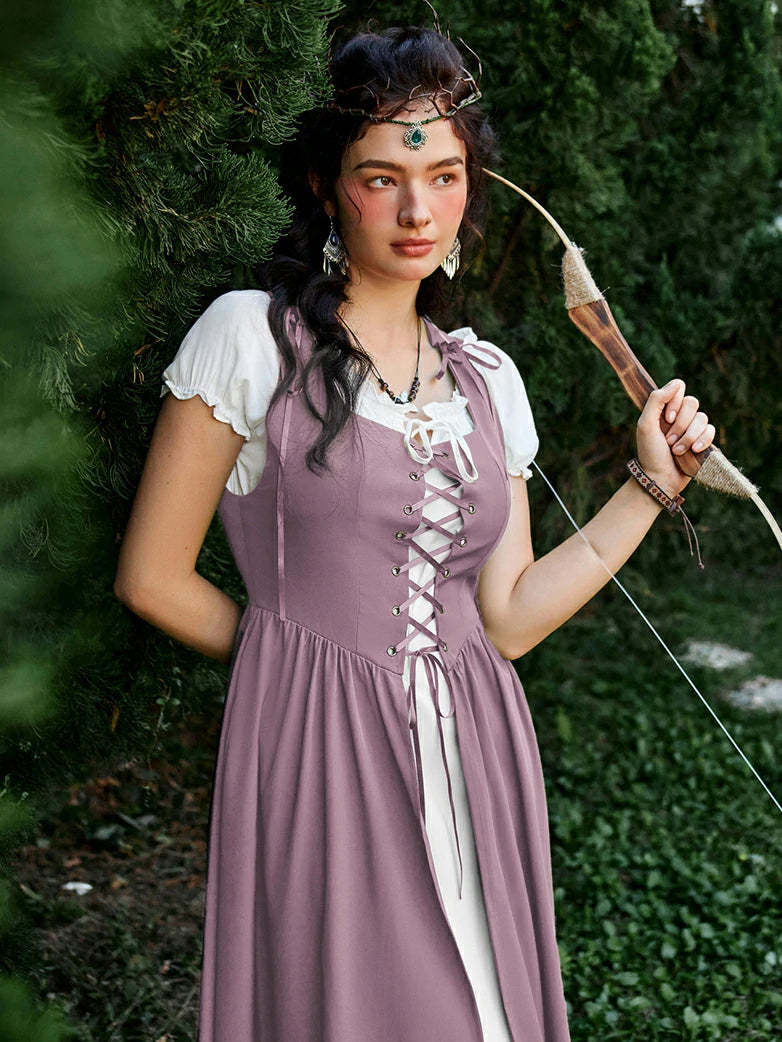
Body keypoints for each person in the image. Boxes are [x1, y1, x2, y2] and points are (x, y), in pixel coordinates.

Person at [113, 25, 715, 1042]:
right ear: (324, 186)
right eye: (381, 178)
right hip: (319, 754)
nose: (416, 211)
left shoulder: (489, 379)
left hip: (479, 748)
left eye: (443, 177)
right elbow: (152, 576)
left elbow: (508, 617)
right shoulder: (248, 340)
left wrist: (650, 487)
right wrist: (297, 678)